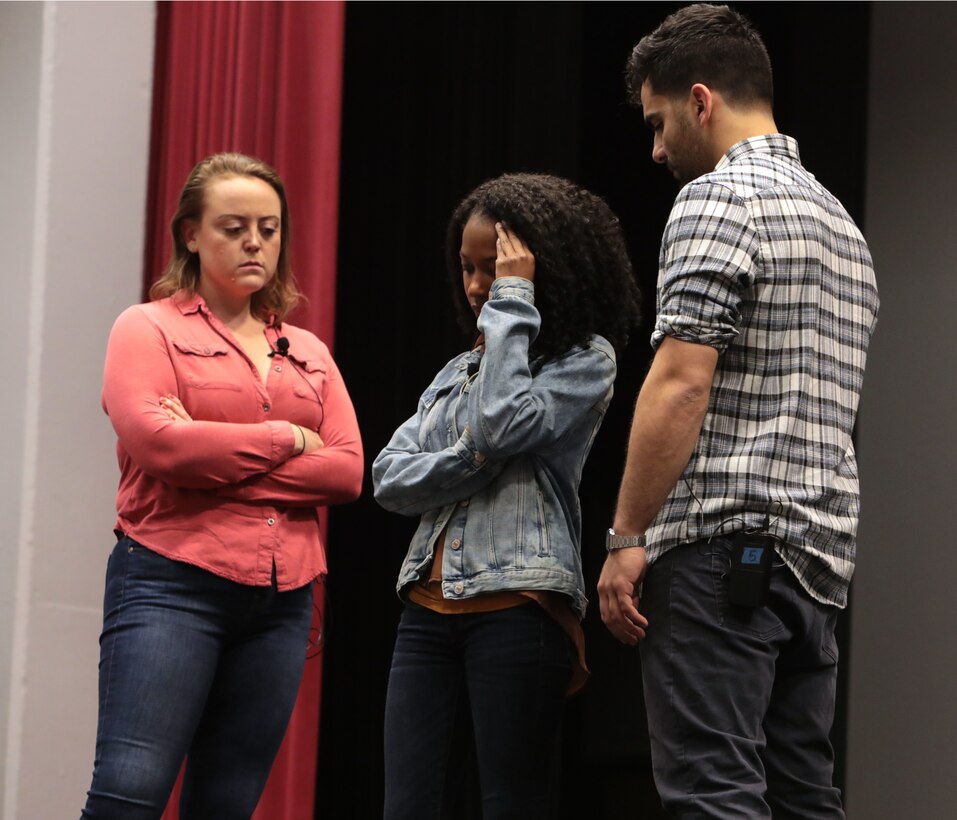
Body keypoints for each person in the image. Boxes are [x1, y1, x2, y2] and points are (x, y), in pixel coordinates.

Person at [597, 5, 879, 818]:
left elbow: (682, 380)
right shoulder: (844, 227)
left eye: (656, 124)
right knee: (800, 800)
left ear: (699, 100)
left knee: (712, 796)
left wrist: (624, 537)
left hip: (722, 548)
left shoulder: (716, 201)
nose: (653, 150)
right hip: (816, 568)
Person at [80, 153, 363, 819]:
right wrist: (289, 439)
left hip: (282, 598)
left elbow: (347, 471)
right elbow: (160, 446)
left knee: (227, 806)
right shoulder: (146, 328)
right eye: (233, 227)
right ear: (190, 234)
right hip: (170, 583)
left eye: (268, 228)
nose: (254, 242)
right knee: (129, 793)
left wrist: (206, 450)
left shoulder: (308, 351)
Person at [373, 172, 640, 819]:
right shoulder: (458, 368)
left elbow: (500, 422)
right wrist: (476, 458)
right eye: (465, 269)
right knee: (406, 806)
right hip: (425, 613)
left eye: (492, 267)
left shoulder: (585, 359)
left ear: (535, 264)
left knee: (511, 805)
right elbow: (387, 477)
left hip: (518, 608)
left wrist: (513, 298)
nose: (473, 287)